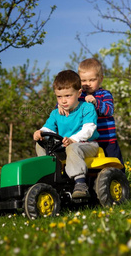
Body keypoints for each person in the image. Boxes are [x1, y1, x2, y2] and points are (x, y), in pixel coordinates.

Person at [33, 70, 99, 198]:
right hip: (64, 146)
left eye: (68, 96)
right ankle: (48, 177)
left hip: (87, 145)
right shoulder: (56, 113)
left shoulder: (86, 108)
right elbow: (49, 128)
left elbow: (89, 129)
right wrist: (41, 132)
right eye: (59, 97)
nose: (63, 101)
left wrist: (73, 139)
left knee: (72, 147)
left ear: (79, 93)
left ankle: (80, 183)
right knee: (41, 144)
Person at [77, 58, 125, 172]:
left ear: (100, 79)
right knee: (92, 167)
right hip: (89, 140)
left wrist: (96, 102)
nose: (87, 84)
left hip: (107, 139)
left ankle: (122, 183)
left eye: (92, 80)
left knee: (114, 164)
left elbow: (109, 110)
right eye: (83, 80)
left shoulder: (104, 94)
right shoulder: (79, 97)